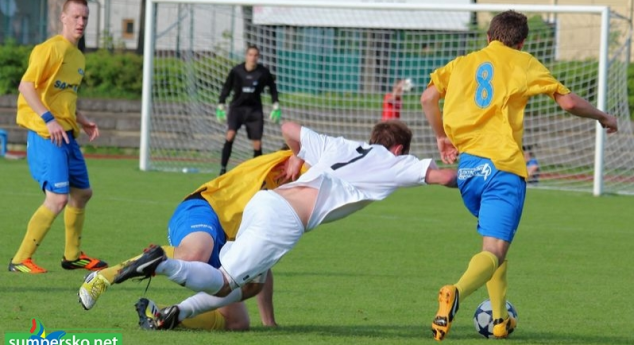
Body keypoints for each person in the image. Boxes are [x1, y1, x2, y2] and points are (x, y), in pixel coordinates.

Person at [113, 119, 458, 330]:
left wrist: (298, 155)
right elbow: (444, 177)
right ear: (398, 149)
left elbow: (288, 128)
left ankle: (174, 314)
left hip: (264, 203)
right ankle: (163, 263)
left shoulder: (340, 145)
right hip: (285, 220)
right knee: (223, 282)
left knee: (250, 286)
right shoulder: (392, 162)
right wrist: (487, 171)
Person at [420, 10, 618, 341]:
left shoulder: (461, 64)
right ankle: (455, 291)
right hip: (503, 167)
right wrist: (602, 116)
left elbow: (428, 97)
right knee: (494, 249)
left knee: (495, 247)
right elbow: (567, 102)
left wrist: (441, 136)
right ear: (522, 41)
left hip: (469, 170)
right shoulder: (523, 62)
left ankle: (499, 321)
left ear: (488, 36)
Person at [78, 150, 305, 330]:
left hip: (226, 243)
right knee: (195, 254)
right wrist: (297, 155)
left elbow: (263, 262)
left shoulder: (291, 203)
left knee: (238, 321)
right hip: (206, 209)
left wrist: (269, 322)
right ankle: (102, 277)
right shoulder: (293, 163)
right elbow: (295, 134)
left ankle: (162, 315)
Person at [10, 0, 107, 274]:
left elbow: (62, 96)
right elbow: (26, 86)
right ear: (62, 18)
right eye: (75, 17)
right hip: (45, 133)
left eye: (85, 18)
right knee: (57, 199)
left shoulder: (78, 57)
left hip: (66, 133)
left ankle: (72, 255)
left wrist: (82, 119)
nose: (81, 22)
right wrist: (49, 120)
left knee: (83, 193)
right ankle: (20, 260)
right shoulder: (49, 49)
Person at [216, 45, 280, 176]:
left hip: (254, 111)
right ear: (246, 56)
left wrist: (276, 105)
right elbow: (226, 88)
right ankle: (222, 169)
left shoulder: (263, 72)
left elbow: (272, 88)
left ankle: (258, 174)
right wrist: (221, 104)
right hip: (237, 109)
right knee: (230, 134)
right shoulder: (236, 71)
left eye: (255, 55)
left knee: (257, 143)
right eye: (250, 55)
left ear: (258, 57)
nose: (253, 58)